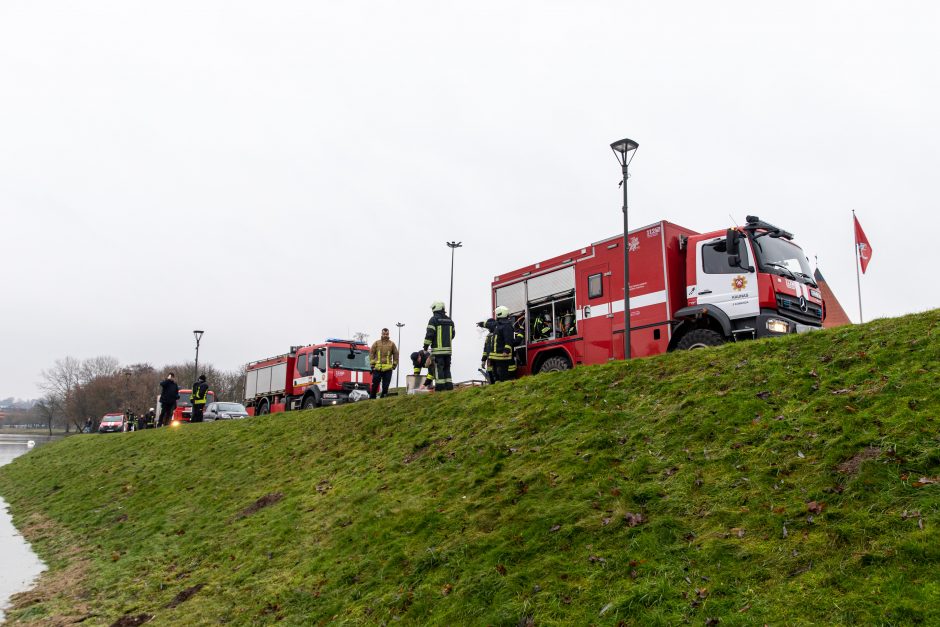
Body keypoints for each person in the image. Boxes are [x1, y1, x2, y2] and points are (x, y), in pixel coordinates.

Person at [423, 301, 455, 391]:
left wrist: (425, 347)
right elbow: (452, 335)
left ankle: (440, 387)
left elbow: (430, 334)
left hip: (438, 351)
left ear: (435, 308)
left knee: (439, 368)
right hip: (448, 350)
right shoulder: (450, 321)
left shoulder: (433, 320)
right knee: (447, 367)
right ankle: (449, 386)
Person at [369, 328, 399, 399]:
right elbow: (371, 353)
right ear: (381, 334)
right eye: (384, 334)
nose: (385, 335)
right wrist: (372, 364)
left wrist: (394, 365)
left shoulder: (392, 344)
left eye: (387, 334)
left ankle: (383, 399)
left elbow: (396, 354)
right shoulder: (376, 343)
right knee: (375, 385)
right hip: (377, 368)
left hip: (388, 369)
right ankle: (372, 398)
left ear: (388, 334)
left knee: (386, 386)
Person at [490, 306, 515, 383]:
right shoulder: (499, 325)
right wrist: (482, 324)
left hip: (502, 356)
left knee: (503, 376)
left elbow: (508, 339)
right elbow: (490, 324)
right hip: (496, 356)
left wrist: (506, 350)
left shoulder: (506, 325)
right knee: (497, 377)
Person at [479, 318, 497, 384]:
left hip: (496, 358)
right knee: (490, 373)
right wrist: (483, 360)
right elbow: (485, 349)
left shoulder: (497, 334)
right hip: (490, 359)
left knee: (496, 374)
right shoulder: (488, 336)